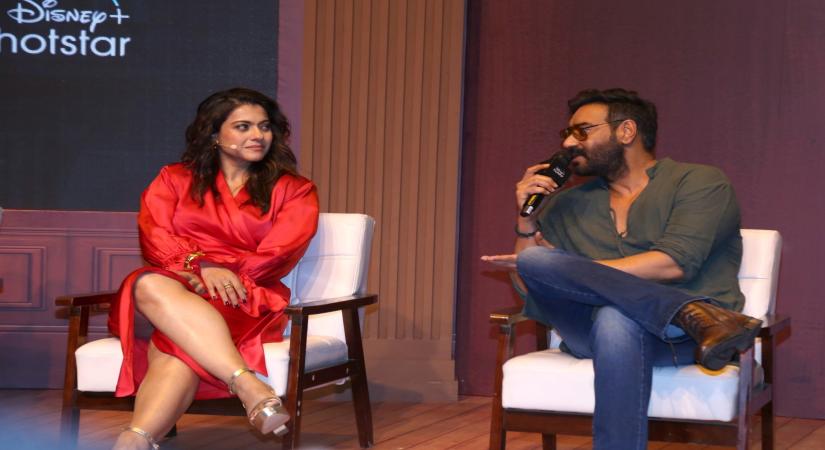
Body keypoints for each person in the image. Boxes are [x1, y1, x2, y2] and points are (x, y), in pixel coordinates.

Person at [482, 88, 762, 449]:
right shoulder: (566, 204)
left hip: (684, 341)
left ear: (626, 131)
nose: (568, 142)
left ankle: (691, 319)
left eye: (581, 131)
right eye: (566, 134)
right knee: (535, 260)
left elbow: (674, 263)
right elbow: (529, 287)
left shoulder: (699, 182)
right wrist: (527, 220)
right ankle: (696, 314)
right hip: (589, 332)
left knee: (615, 318)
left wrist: (578, 271)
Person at [108, 87, 319, 450]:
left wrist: (226, 274)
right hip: (177, 283)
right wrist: (200, 266)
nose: (257, 135)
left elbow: (282, 252)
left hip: (245, 292)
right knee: (148, 284)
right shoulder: (174, 178)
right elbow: (154, 233)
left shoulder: (294, 190)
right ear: (214, 134)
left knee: (175, 341)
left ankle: (135, 440)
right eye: (243, 126)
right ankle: (247, 384)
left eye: (264, 126)